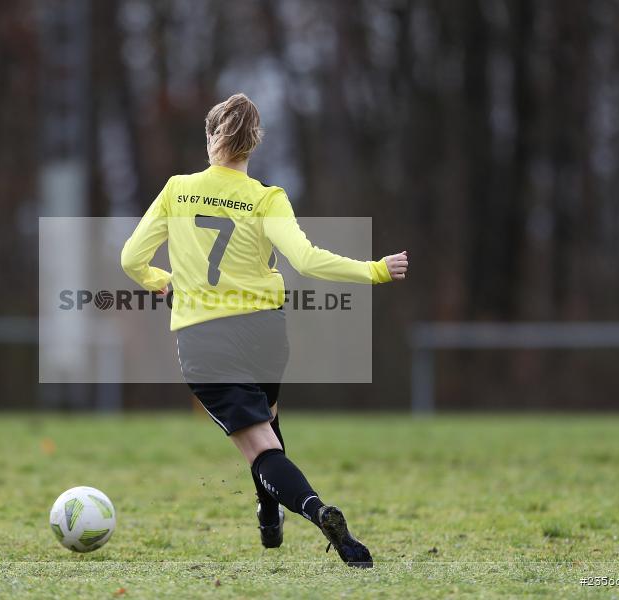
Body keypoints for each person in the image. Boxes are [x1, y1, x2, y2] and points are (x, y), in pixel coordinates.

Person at [120, 93, 408, 568]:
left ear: (212, 137)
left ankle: (317, 511)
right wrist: (375, 270)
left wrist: (161, 282)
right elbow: (308, 260)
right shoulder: (267, 198)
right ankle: (269, 511)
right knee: (268, 420)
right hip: (266, 333)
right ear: (253, 144)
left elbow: (131, 259)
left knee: (261, 447)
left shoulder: (177, 189)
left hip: (205, 338)